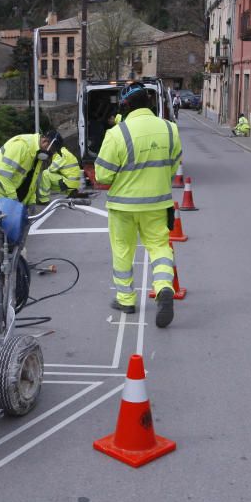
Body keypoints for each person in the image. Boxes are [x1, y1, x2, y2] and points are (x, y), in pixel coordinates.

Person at [96, 81, 182, 328]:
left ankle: (126, 300)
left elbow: (102, 175)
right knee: (159, 247)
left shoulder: (117, 133)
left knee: (123, 250)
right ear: (151, 102)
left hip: (123, 207)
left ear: (125, 106)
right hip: (157, 203)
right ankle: (165, 288)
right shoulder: (169, 129)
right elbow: (174, 164)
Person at [0, 130, 63, 204]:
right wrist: (14, 200)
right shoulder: (21, 146)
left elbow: (31, 182)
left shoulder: (37, 155)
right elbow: (4, 175)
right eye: (52, 150)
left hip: (3, 193)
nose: (51, 154)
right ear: (45, 141)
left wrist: (30, 202)